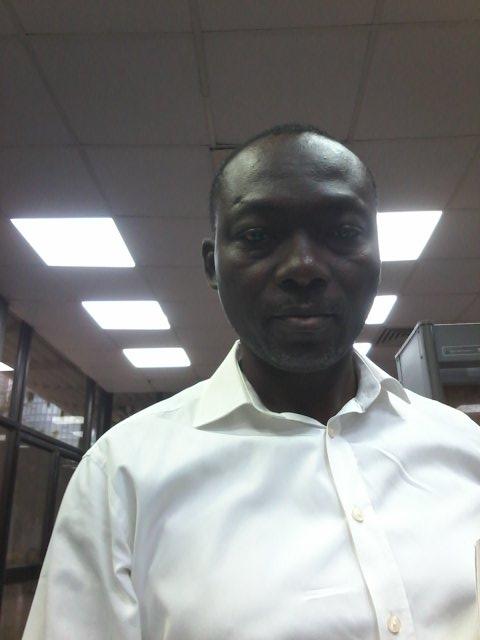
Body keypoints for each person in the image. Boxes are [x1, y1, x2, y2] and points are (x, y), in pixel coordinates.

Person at [23, 124, 480, 639]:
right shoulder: (121, 475)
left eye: (343, 232)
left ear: (376, 252)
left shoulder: (465, 447)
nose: (304, 267)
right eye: (258, 235)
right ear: (212, 265)